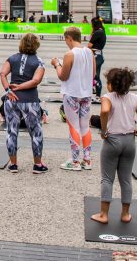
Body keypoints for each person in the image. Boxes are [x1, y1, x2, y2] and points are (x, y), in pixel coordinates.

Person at [91, 68, 137, 225]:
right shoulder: (134, 98)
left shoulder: (107, 97)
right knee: (125, 179)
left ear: (110, 85)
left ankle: (104, 214)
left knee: (107, 179)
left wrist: (103, 130)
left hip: (112, 140)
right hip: (129, 141)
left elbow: (104, 111)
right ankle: (125, 214)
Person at [0, 34, 48, 174]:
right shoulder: (39, 61)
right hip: (30, 101)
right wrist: (20, 87)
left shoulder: (12, 58)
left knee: (11, 132)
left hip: (11, 100)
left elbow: (2, 73)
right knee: (35, 132)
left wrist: (8, 89)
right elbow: (35, 81)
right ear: (36, 45)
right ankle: (37, 165)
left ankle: (13, 165)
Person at [51, 27, 95, 171]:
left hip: (71, 93)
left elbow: (63, 76)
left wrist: (57, 65)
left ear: (69, 38)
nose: (66, 43)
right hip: (86, 94)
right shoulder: (90, 52)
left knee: (73, 126)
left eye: (66, 40)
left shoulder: (69, 54)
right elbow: (93, 74)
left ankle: (75, 162)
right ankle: (87, 160)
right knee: (85, 126)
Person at [88, 17, 107, 101]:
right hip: (99, 55)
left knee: (95, 76)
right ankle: (97, 94)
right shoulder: (101, 31)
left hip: (95, 55)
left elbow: (89, 45)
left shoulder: (97, 32)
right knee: (96, 75)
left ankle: (97, 95)